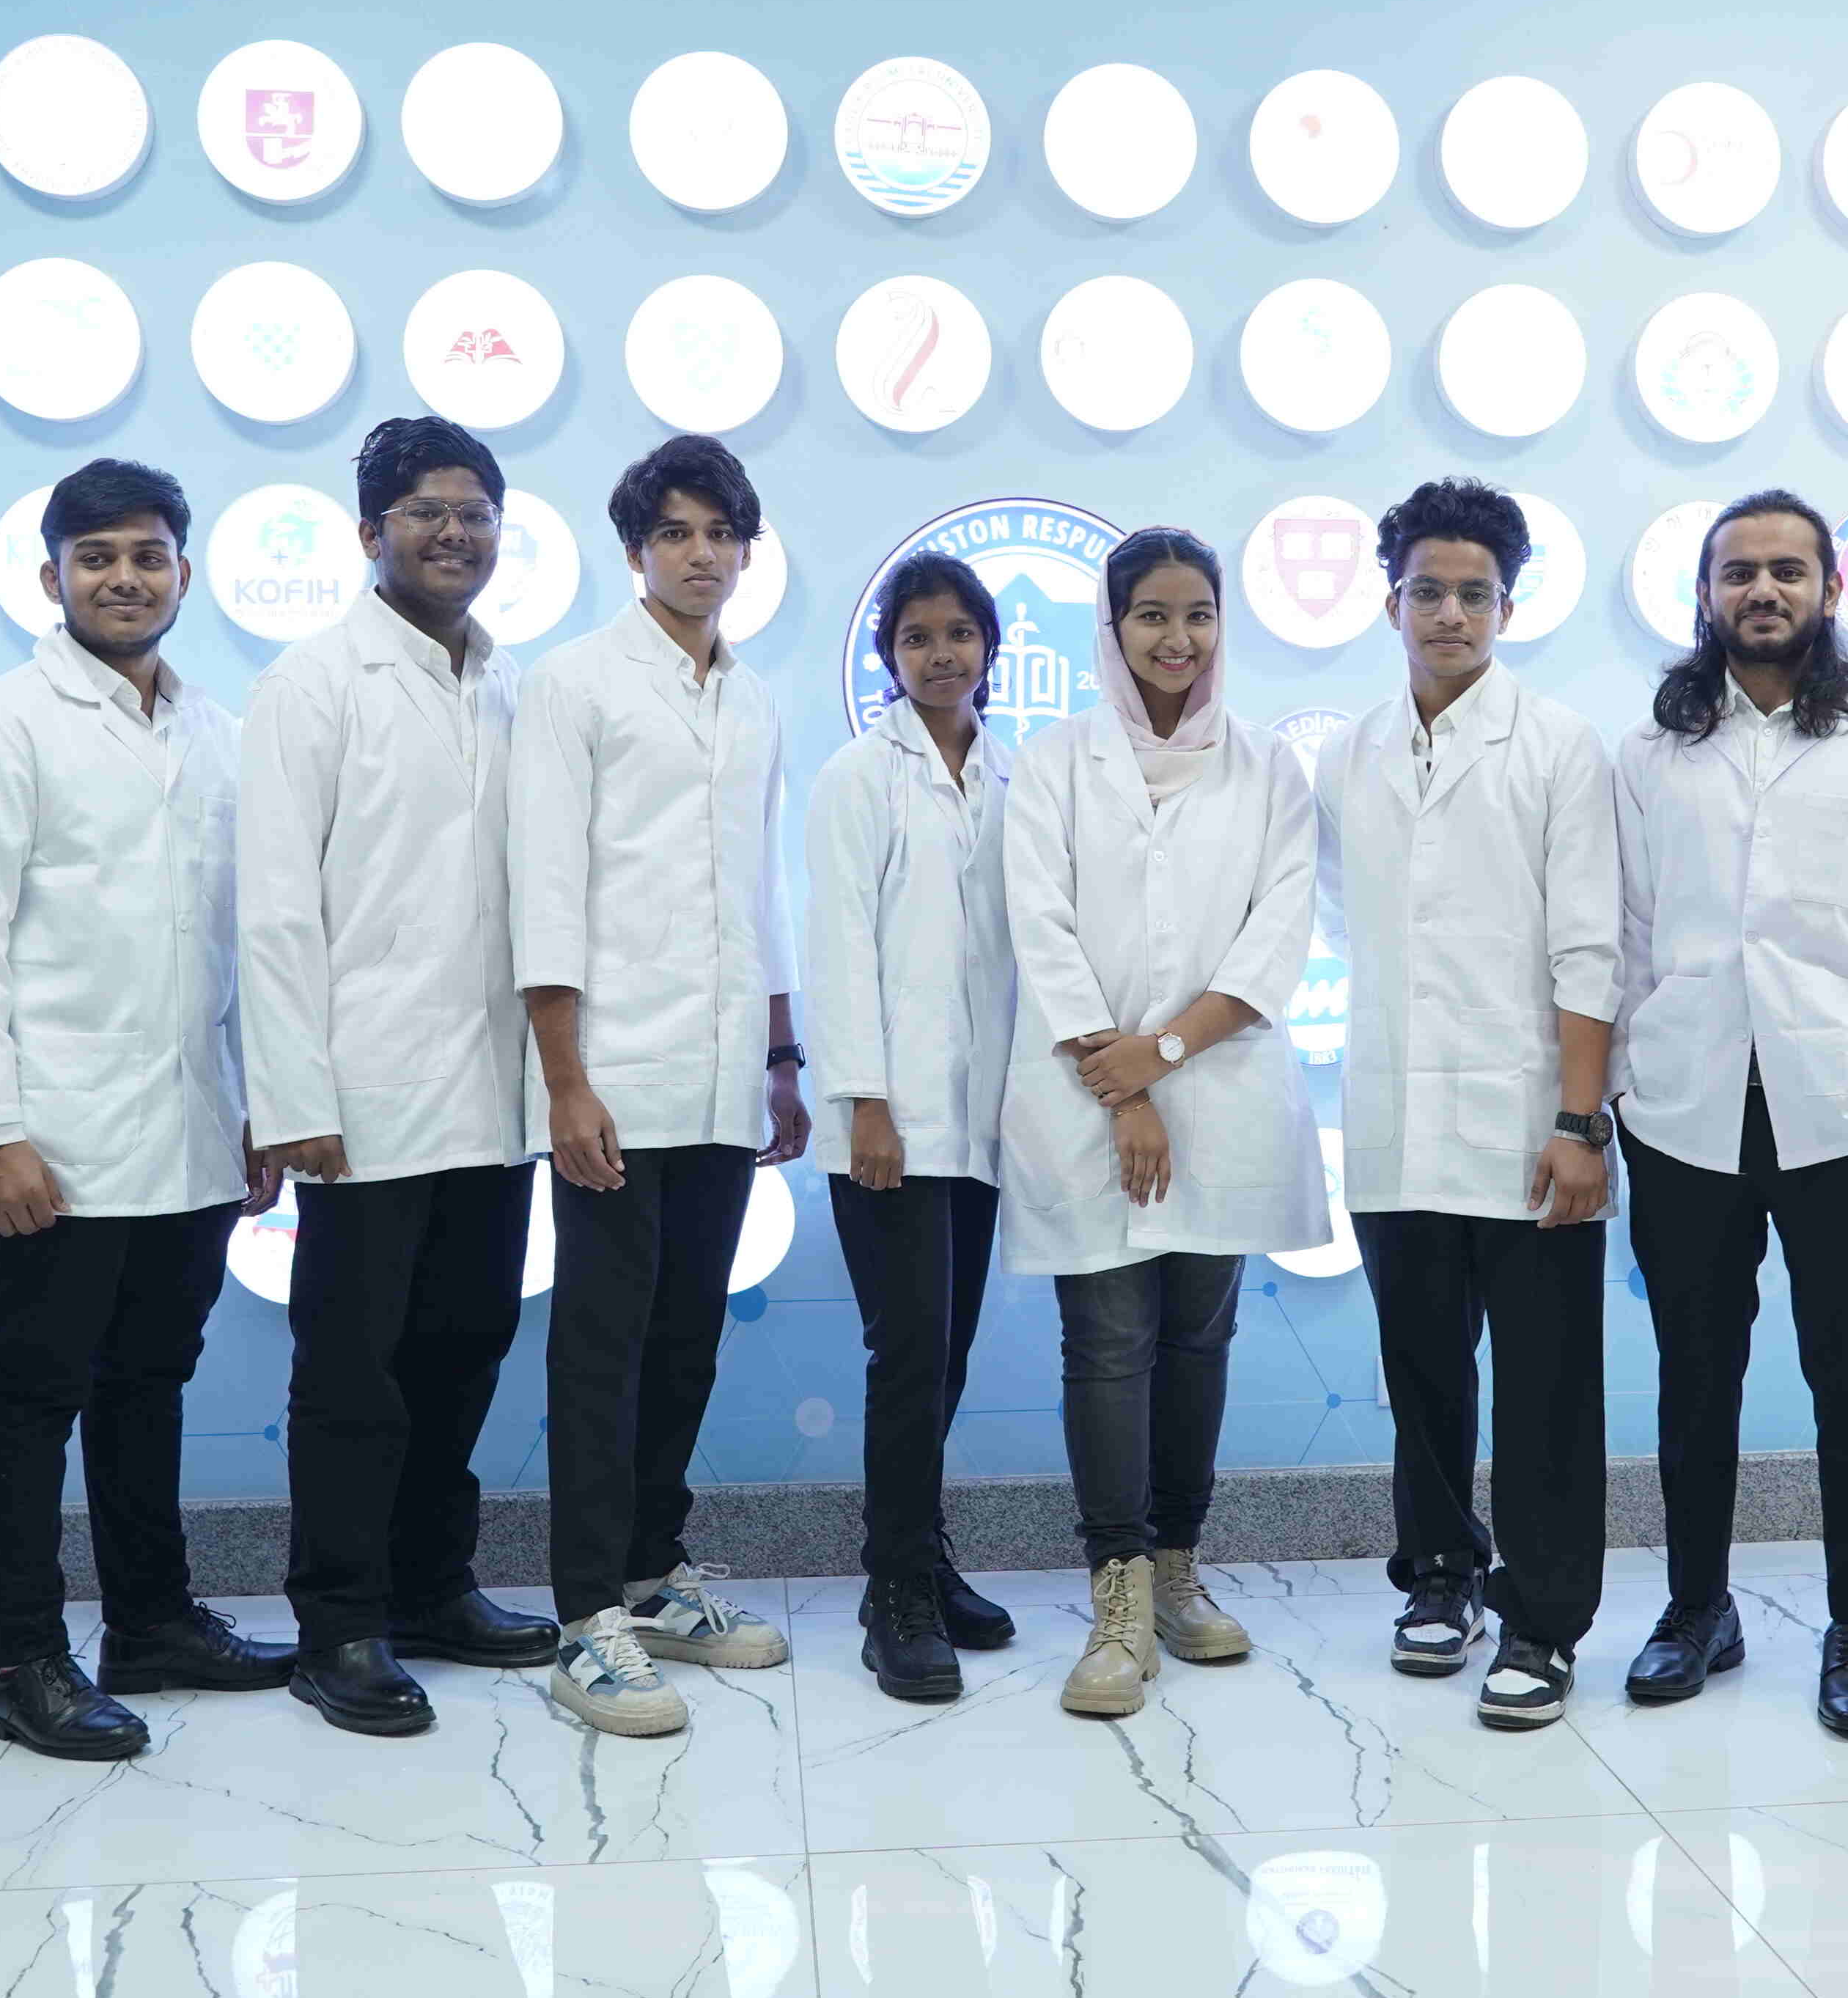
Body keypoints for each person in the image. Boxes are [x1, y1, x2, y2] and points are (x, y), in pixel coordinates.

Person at [0, 459, 292, 1763]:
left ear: (183, 571)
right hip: (53, 1139)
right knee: (34, 1393)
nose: (124, 579)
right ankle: (22, 1660)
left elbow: (238, 943)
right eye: (97, 558)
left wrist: (258, 1104)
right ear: (52, 576)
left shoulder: (217, 734)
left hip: (190, 1127)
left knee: (152, 1383)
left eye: (147, 555)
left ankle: (153, 1622)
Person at [1610, 491, 1848, 1742]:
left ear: (1831, 591)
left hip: (1843, 1110)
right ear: (1705, 595)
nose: (1764, 591)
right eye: (1740, 572)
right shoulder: (1651, 752)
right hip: (1684, 1110)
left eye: (1788, 571)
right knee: (1695, 1376)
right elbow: (1626, 932)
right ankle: (1697, 1608)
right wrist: (1623, 1089)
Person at [243, 417, 562, 1741]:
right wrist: (293, 1100)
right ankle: (340, 1622)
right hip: (363, 1096)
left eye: (475, 513)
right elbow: (273, 908)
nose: (453, 534)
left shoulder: (511, 687)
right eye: (426, 512)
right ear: (369, 531)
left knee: (466, 1347)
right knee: (353, 1372)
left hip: (491, 1095)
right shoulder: (314, 683)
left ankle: (435, 1586)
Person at [999, 529, 1327, 1721]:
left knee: (1197, 1341)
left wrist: (1169, 1053)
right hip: (1088, 1097)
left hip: (1222, 1094)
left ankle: (1180, 1570)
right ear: (1112, 627)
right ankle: (1119, 1596)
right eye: (1151, 615)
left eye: (1198, 615)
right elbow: (1041, 927)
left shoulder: (1269, 769)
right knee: (1106, 1344)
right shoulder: (1053, 763)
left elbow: (1276, 938)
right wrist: (1128, 1088)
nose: (1177, 639)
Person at [515, 433, 807, 1738]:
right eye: (676, 533)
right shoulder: (573, 684)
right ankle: (586, 1619)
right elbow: (545, 890)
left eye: (721, 533)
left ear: (746, 551)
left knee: (687, 1337)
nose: (701, 554)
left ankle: (651, 1573)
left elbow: (761, 892)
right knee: (601, 1349)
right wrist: (566, 1081)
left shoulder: (755, 701)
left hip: (723, 1076)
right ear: (636, 549)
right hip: (616, 1078)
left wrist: (782, 1059)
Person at [1317, 479, 1619, 1731]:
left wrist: (1581, 1123)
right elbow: (1346, 918)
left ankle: (1543, 1621)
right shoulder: (1348, 753)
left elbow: (1592, 947)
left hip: (1532, 1124)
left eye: (1475, 594)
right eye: (1429, 592)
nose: (1451, 614)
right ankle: (1440, 1575)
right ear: (1391, 602)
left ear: (1508, 605)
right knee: (1423, 1376)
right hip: (1398, 1118)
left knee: (1548, 1389)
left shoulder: (1556, 746)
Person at [803, 553, 1023, 1703]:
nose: (942, 655)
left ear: (991, 647)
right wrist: (867, 1102)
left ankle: (925, 1560)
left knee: (948, 1357)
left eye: (960, 635)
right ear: (888, 655)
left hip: (980, 1122)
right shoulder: (859, 776)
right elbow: (838, 946)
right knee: (908, 1359)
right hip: (888, 1127)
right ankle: (892, 1594)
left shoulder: (1012, 776)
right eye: (918, 638)